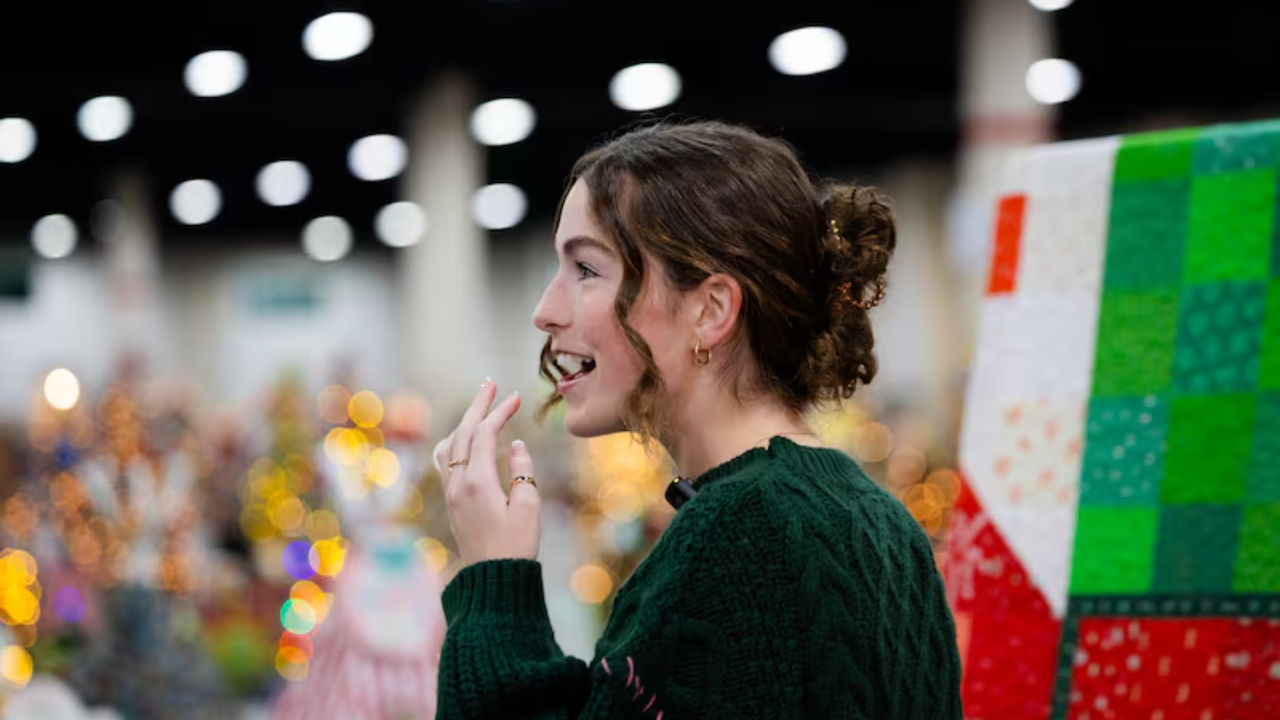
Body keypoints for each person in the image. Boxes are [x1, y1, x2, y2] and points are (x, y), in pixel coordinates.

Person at [433, 121, 963, 718]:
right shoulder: (886, 524)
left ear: (710, 310)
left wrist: (494, 581)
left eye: (586, 270)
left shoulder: (735, 533)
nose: (544, 311)